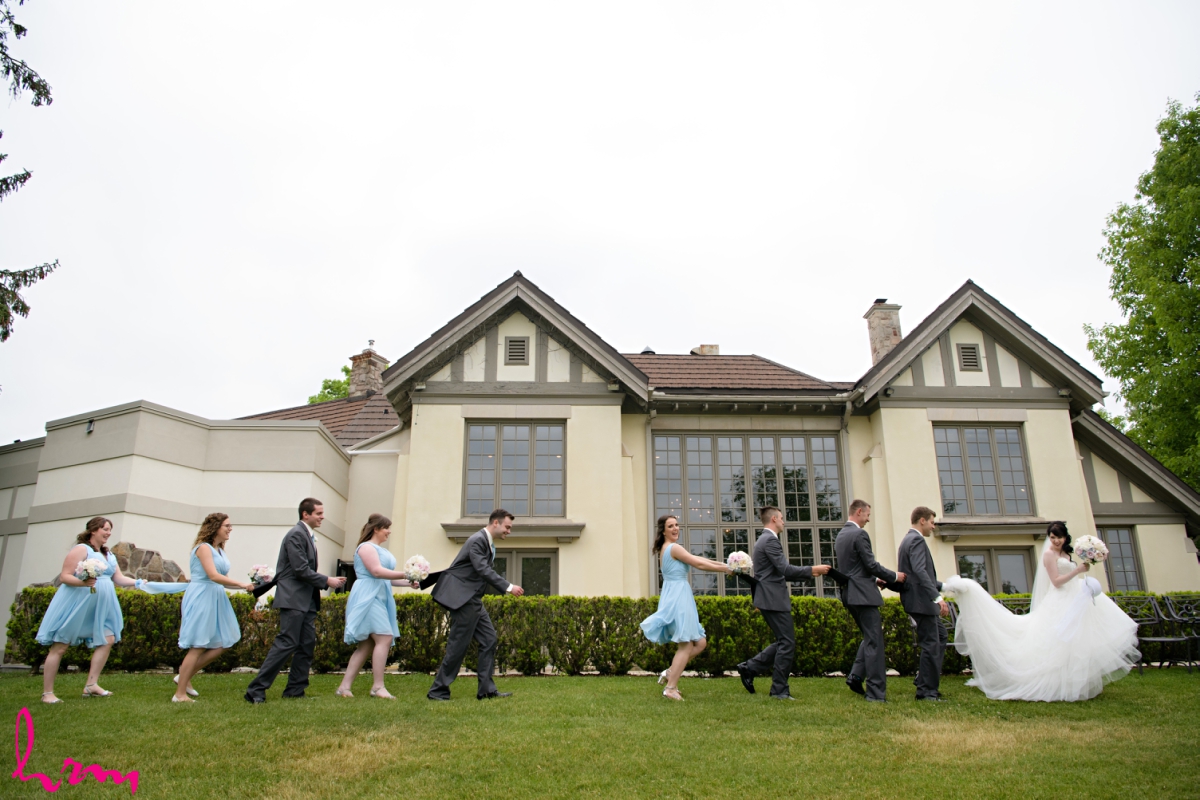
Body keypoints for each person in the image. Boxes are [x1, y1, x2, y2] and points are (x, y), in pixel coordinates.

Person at [942, 521, 1139, 702]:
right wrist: (1077, 571)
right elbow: (1056, 582)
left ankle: (1075, 682)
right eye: (1052, 537)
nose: (1056, 541)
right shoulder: (1049, 555)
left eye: (1059, 537)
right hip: (1060, 600)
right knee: (1058, 641)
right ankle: (1055, 684)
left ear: (1065, 537)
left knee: (1077, 640)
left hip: (1074, 597)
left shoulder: (1066, 553)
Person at [244, 498, 345, 703]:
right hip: (293, 598)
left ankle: (295, 689)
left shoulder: (306, 535)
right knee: (286, 642)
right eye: (318, 513)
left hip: (306, 600)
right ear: (305, 514)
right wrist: (327, 580)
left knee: (306, 644)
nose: (322, 517)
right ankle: (255, 690)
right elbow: (300, 570)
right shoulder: (296, 535)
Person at [35, 517, 139, 702]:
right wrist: (83, 583)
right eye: (105, 529)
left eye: (110, 530)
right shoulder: (82, 549)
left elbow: (118, 578)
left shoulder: (108, 554)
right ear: (93, 530)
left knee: (108, 639)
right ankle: (47, 693)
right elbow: (65, 576)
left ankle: (91, 685)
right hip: (79, 603)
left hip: (101, 606)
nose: (108, 533)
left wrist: (139, 582)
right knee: (60, 645)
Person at [427, 509, 525, 701]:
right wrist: (508, 587)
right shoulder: (477, 540)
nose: (509, 531)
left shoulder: (485, 542)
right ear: (495, 523)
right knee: (458, 645)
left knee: (489, 639)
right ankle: (438, 690)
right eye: (507, 527)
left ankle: (486, 690)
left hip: (472, 600)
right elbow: (482, 569)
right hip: (463, 600)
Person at [736, 506, 831, 700]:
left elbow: (775, 573)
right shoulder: (770, 540)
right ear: (773, 519)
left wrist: (809, 573)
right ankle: (779, 690)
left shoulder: (765, 540)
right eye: (781, 518)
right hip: (773, 599)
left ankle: (750, 667)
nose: (783, 522)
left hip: (770, 598)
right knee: (787, 643)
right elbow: (785, 569)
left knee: (784, 641)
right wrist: (812, 569)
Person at [639, 514, 731, 701]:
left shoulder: (670, 548)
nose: (675, 528)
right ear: (663, 531)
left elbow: (697, 558)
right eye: (670, 526)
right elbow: (698, 563)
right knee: (687, 644)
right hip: (678, 597)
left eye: (676, 525)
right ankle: (670, 688)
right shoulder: (673, 548)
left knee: (700, 643)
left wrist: (726, 565)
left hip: (678, 594)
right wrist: (725, 569)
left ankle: (671, 672)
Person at [172, 513, 254, 703]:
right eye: (227, 525)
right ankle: (180, 694)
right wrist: (241, 584)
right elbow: (213, 576)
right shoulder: (203, 548)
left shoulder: (219, 550)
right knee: (198, 645)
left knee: (225, 642)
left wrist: (249, 586)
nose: (230, 529)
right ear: (215, 527)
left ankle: (184, 675)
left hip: (216, 596)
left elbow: (222, 580)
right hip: (202, 596)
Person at [335, 514, 418, 699]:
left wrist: (409, 583)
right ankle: (377, 687)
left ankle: (344, 687)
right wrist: (406, 574)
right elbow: (376, 572)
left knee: (367, 644)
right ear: (376, 529)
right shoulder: (366, 547)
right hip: (368, 596)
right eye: (386, 528)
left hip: (380, 595)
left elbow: (386, 578)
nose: (389, 532)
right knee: (384, 637)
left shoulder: (382, 550)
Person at [834, 499, 905, 702]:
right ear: (859, 512)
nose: (868, 520)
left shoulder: (841, 535)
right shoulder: (859, 534)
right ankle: (875, 693)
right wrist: (894, 576)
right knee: (875, 642)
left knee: (869, 637)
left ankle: (856, 676)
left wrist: (874, 580)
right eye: (867, 515)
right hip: (863, 596)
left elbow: (853, 568)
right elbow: (870, 564)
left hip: (850, 594)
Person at [889, 506, 949, 701]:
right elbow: (919, 571)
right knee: (931, 643)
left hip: (917, 600)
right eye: (932, 522)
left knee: (941, 635)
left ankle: (923, 678)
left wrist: (944, 586)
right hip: (922, 602)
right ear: (922, 520)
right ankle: (926, 691)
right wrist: (937, 597)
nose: (933, 526)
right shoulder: (916, 540)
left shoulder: (907, 540)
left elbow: (915, 575)